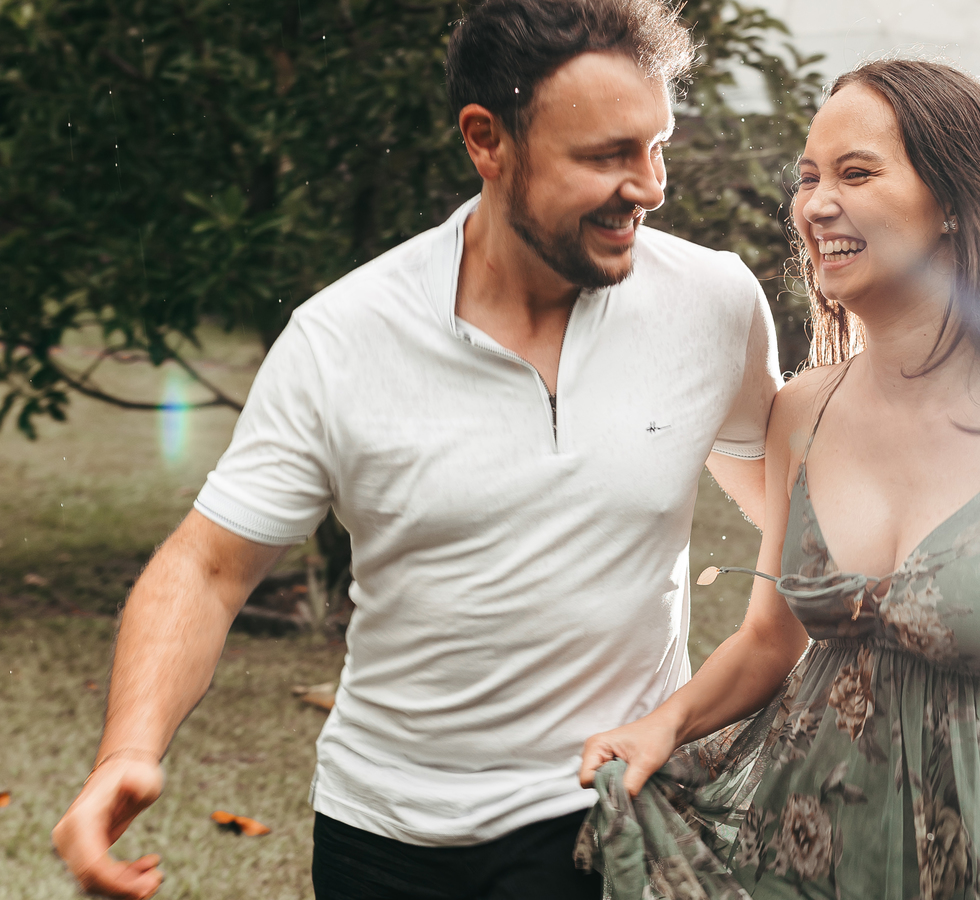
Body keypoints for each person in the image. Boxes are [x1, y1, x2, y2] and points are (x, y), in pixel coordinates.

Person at [51, 2, 783, 898]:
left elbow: (787, 502)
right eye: (604, 156)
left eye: (656, 145)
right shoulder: (343, 336)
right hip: (386, 836)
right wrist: (128, 750)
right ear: (487, 141)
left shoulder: (714, 304)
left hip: (612, 810)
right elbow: (208, 568)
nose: (649, 185)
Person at [578, 59, 980, 900]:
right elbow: (769, 639)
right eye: (807, 178)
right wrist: (662, 727)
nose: (815, 203)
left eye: (856, 172)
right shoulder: (802, 413)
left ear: (951, 200)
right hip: (815, 851)